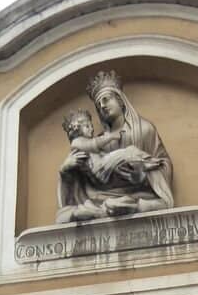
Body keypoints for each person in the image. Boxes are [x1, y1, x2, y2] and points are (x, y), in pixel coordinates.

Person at [56, 71, 174, 223]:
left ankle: (129, 207)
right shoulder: (96, 142)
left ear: (120, 100)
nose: (102, 106)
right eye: (98, 105)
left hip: (139, 194)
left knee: (148, 203)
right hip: (99, 197)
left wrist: (143, 173)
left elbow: (163, 165)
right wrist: (65, 171)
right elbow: (83, 178)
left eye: (106, 100)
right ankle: (98, 210)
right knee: (66, 214)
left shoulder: (144, 130)